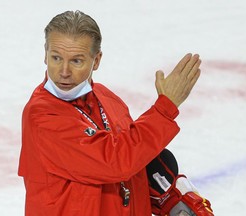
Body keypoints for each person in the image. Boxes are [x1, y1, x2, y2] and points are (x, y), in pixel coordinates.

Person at [18, 10, 211, 216]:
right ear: (45, 54)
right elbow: (115, 162)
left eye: (76, 61)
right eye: (56, 58)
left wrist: (169, 198)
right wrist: (165, 109)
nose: (64, 71)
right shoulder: (42, 116)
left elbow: (133, 160)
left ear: (97, 60)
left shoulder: (108, 99)